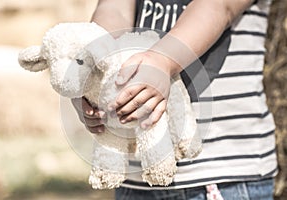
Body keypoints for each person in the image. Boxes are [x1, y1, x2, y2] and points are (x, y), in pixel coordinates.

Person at [72, 0, 277, 199]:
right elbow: (114, 8)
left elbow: (219, 6)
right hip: (137, 176)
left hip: (222, 169)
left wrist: (162, 60)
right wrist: (96, 71)